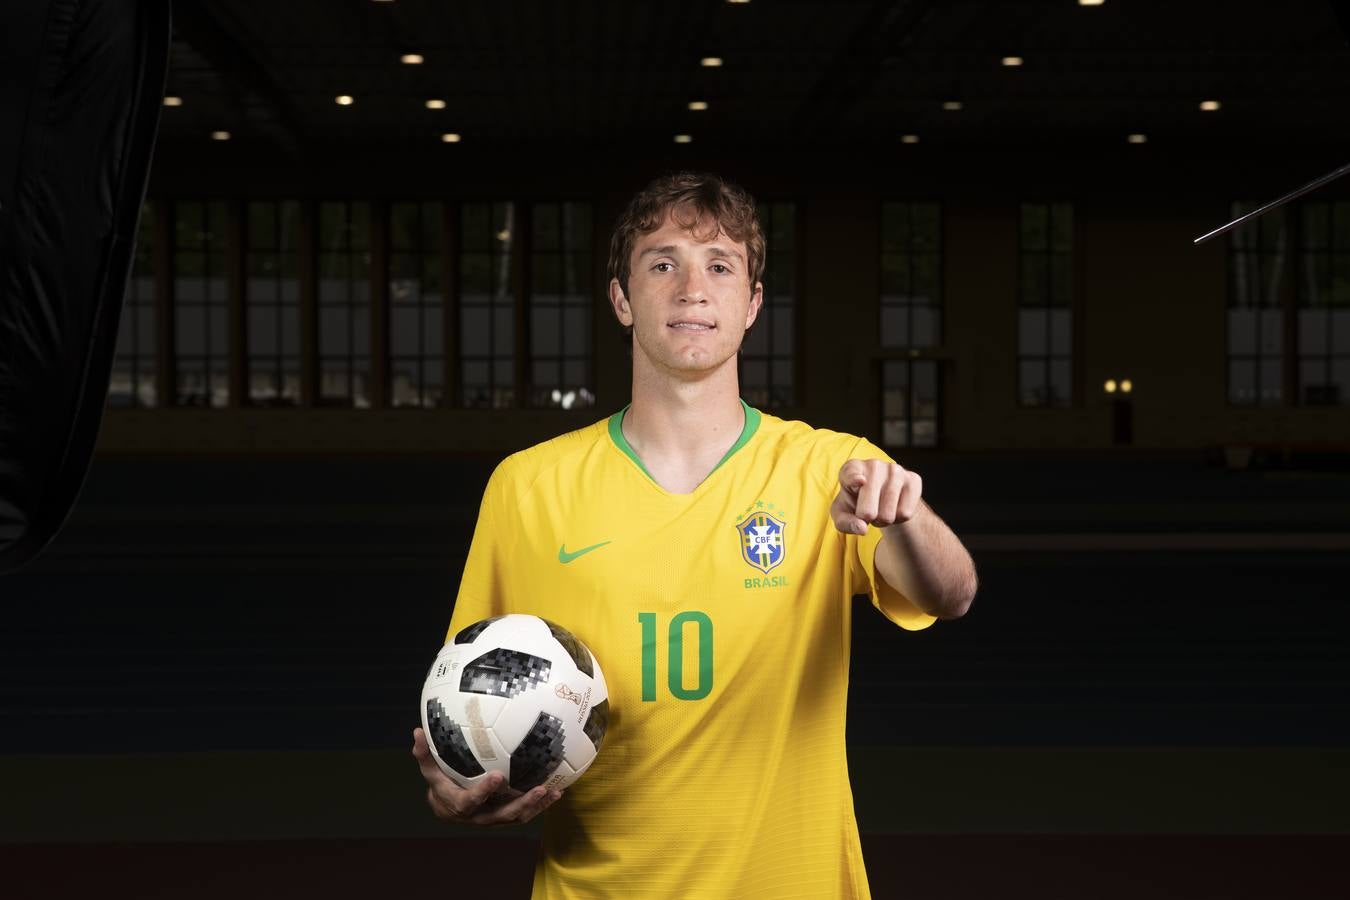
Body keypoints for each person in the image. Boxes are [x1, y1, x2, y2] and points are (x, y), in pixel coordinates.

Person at [412, 172, 978, 899]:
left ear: (752, 304)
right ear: (622, 299)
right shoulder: (527, 486)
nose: (692, 290)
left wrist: (907, 515)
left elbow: (952, 594)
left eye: (720, 266)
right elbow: (468, 705)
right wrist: (456, 787)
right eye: (662, 263)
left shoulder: (832, 470)